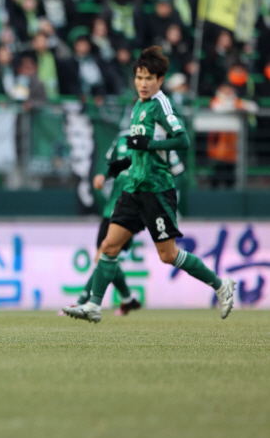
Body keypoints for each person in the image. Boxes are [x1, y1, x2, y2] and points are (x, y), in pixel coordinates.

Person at [63, 46, 236, 323]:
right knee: (108, 246)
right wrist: (110, 173)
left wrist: (152, 144)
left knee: (168, 255)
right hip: (133, 189)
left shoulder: (161, 105)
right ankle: (94, 306)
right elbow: (134, 153)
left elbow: (183, 140)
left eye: (149, 78)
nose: (143, 83)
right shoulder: (138, 107)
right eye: (139, 77)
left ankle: (220, 285)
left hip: (156, 190)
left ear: (160, 80)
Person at [64, 128, 187, 316]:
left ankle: (83, 301)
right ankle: (128, 299)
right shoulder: (122, 137)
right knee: (106, 255)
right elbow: (114, 164)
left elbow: (179, 174)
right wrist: (103, 176)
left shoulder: (159, 142)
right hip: (112, 206)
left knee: (104, 255)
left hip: (134, 208)